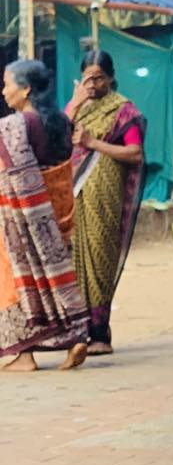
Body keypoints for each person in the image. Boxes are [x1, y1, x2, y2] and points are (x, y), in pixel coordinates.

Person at [0, 59, 89, 372]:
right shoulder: (58, 122)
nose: (3, 90)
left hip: (23, 218)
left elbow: (11, 172)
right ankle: (76, 336)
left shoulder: (14, 125)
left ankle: (25, 355)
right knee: (57, 278)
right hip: (55, 211)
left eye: (7, 84)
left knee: (16, 281)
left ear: (25, 89)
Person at [66, 50, 147, 356]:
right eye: (87, 77)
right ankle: (78, 331)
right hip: (76, 193)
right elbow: (58, 139)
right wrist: (75, 104)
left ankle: (100, 331)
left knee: (99, 258)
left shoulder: (124, 110)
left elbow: (135, 153)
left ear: (111, 78)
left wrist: (93, 143)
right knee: (75, 260)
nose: (93, 84)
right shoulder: (77, 108)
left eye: (98, 77)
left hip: (105, 192)